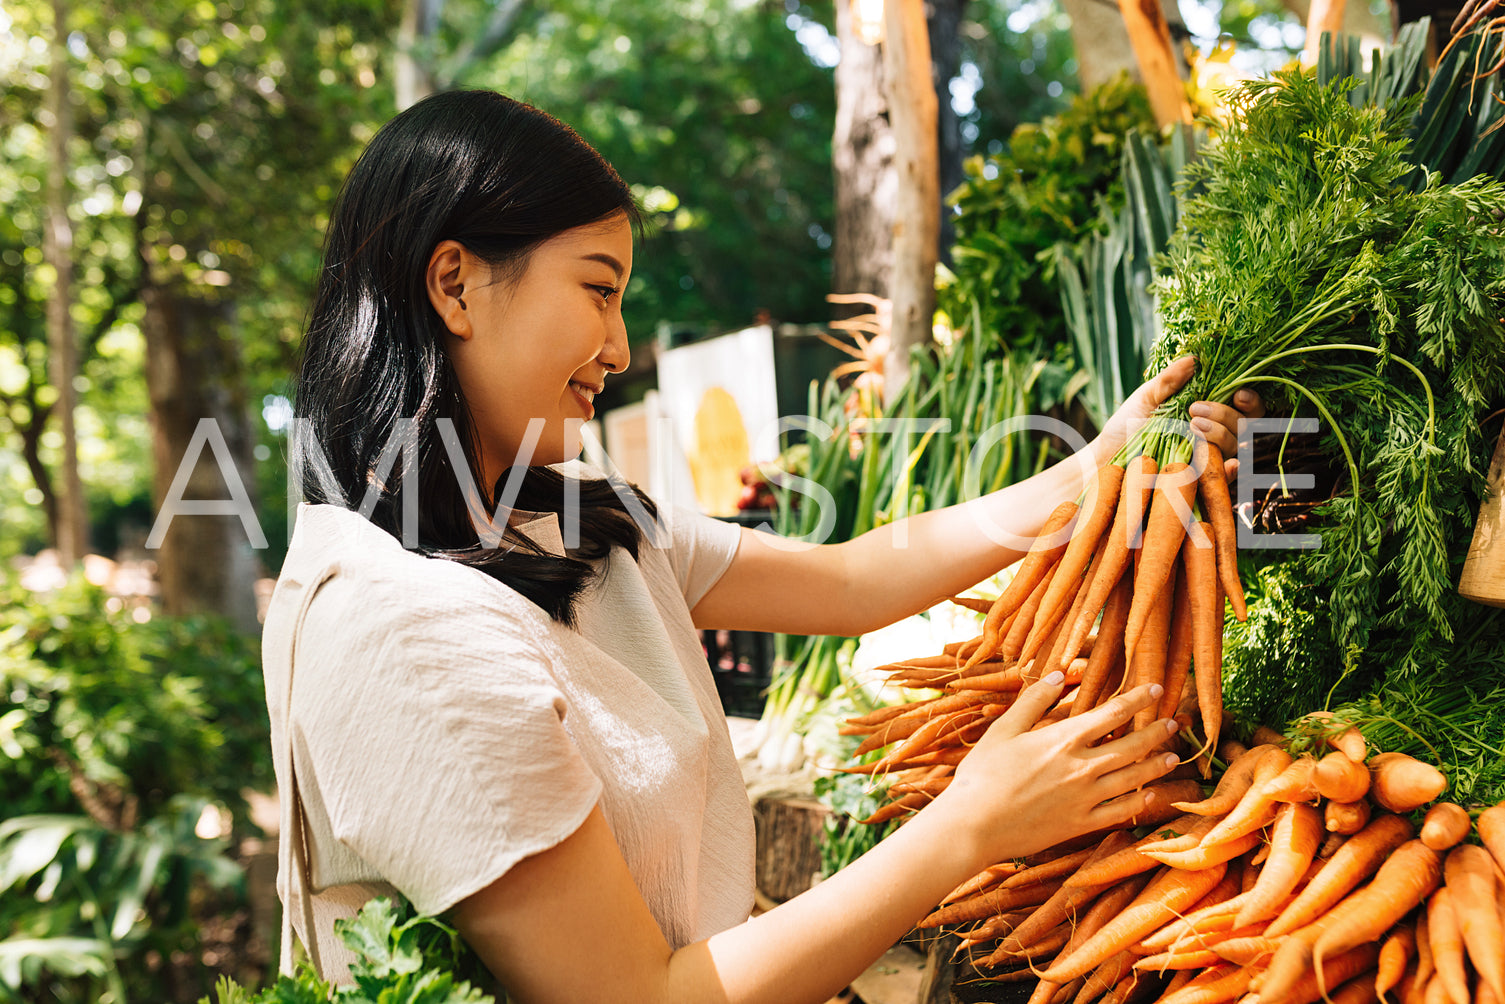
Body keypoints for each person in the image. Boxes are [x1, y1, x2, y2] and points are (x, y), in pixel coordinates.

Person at [262, 88, 1263, 1004]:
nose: (616, 346)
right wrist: (965, 825)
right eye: (598, 289)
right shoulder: (397, 633)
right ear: (455, 284)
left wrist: (1095, 463)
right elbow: (643, 998)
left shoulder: (561, 514)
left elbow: (852, 575)